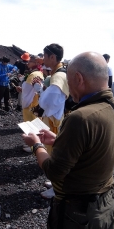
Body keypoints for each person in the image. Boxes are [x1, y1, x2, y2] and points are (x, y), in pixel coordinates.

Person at [23, 51, 114, 229]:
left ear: (78, 78)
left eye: (69, 82)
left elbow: (54, 172)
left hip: (77, 214)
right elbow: (93, 149)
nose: (68, 88)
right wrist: (57, 141)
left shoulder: (80, 117)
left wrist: (36, 144)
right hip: (104, 206)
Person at [32, 43, 69, 199]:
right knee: (53, 150)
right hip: (55, 116)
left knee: (54, 152)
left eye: (45, 56)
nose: (43, 59)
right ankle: (55, 183)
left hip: (54, 119)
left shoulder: (58, 77)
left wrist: (39, 89)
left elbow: (47, 102)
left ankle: (57, 187)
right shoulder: (59, 74)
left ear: (52, 57)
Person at [16, 55, 44, 152]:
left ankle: (33, 144)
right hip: (34, 101)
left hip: (31, 103)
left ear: (36, 63)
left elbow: (30, 90)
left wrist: (22, 90)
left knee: (31, 123)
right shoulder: (37, 73)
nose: (28, 63)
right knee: (34, 123)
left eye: (30, 61)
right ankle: (34, 143)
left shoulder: (34, 74)